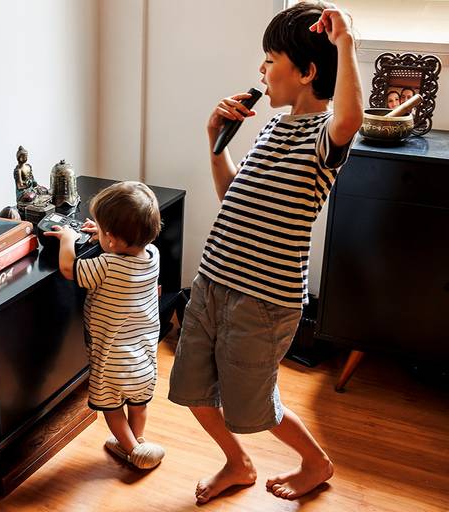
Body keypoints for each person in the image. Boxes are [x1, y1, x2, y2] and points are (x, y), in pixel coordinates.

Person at [169, 2, 362, 504]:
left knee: (253, 404)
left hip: (262, 300)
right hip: (213, 282)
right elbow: (233, 196)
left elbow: (350, 118)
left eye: (271, 59)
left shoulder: (324, 138)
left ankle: (316, 462)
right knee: (191, 387)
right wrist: (215, 142)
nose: (261, 69)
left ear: (307, 72)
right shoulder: (274, 127)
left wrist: (345, 42)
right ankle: (238, 464)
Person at [44, 181, 166, 470]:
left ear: (112, 241)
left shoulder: (106, 266)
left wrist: (67, 238)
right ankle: (138, 440)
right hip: (143, 356)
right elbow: (121, 245)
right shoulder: (152, 255)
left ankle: (132, 450)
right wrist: (102, 236)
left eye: (100, 229)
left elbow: (68, 268)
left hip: (112, 359)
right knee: (138, 402)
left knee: (112, 407)